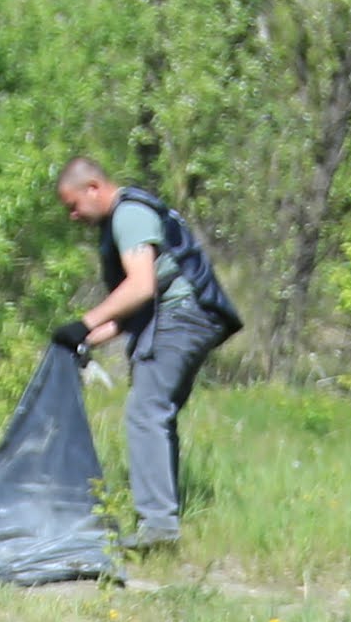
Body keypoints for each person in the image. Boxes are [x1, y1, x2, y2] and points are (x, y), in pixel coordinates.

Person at [58, 155, 240, 551]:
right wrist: (84, 339)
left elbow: (141, 287)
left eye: (73, 204)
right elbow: (132, 311)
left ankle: (157, 528)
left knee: (146, 412)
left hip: (181, 318)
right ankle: (160, 524)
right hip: (182, 318)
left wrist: (84, 322)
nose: (72, 215)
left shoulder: (130, 215)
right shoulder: (122, 219)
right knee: (157, 415)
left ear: (93, 188)